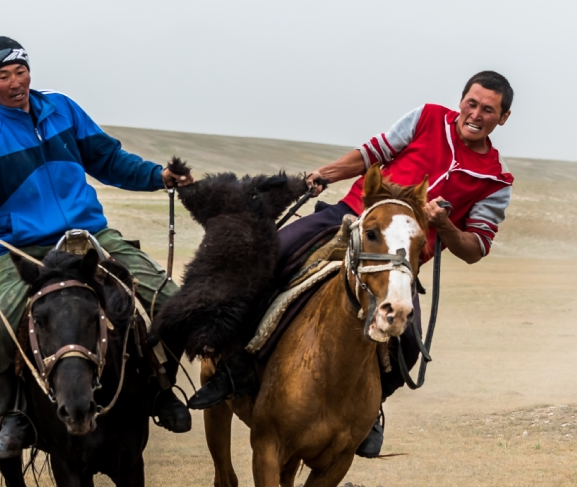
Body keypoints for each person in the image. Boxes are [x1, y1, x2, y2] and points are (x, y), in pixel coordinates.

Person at [188, 71, 514, 458]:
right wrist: (323, 175)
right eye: (471, 103)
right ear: (461, 100)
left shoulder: (496, 180)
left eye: (488, 110)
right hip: (350, 216)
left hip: (397, 261)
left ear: (503, 118)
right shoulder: (426, 118)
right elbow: (370, 154)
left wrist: (443, 224)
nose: (475, 114)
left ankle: (370, 411)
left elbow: (476, 247)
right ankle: (231, 364)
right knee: (268, 259)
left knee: (408, 346)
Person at [0, 36, 195, 460]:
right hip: (23, 251)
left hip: (88, 237)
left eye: (20, 71)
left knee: (167, 298)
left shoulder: (61, 108)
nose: (15, 82)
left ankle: (160, 388)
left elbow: (108, 159)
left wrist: (158, 175)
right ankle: (12, 417)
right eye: (3, 76)